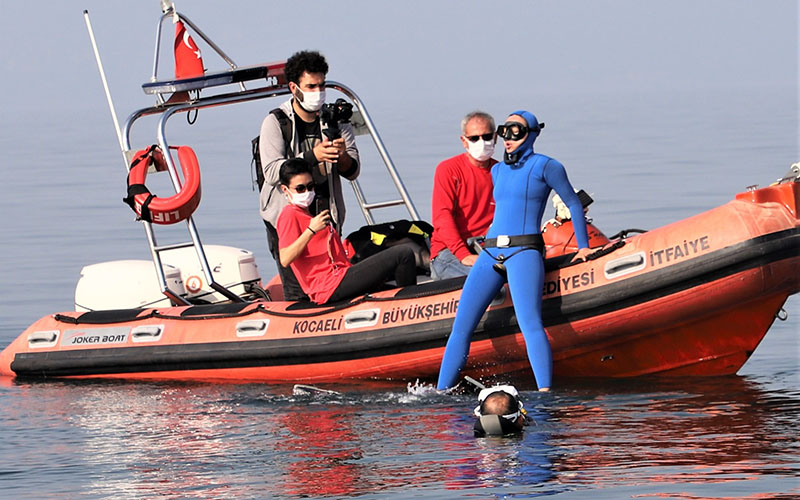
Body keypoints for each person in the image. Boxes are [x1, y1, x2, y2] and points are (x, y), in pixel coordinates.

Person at [437, 111, 592, 392]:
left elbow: (573, 203)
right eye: (504, 132)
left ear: (531, 133)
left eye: (515, 131)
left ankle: (545, 392)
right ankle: (441, 391)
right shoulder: (497, 170)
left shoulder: (547, 166)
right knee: (461, 327)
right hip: (490, 252)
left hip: (524, 252)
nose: (507, 138)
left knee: (530, 322)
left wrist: (583, 247)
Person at [259, 50, 360, 300]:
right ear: (294, 87)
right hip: (288, 218)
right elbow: (272, 171)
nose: (318, 92)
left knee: (334, 276)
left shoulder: (335, 121)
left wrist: (342, 155)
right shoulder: (275, 122)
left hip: (325, 212)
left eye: (321, 85)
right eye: (311, 86)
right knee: (297, 291)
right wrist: (312, 156)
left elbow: (353, 170)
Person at [276, 159, 417, 304]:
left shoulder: (309, 215)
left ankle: (406, 309)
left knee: (389, 290)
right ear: (285, 190)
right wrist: (311, 230)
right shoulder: (289, 214)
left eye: (310, 187)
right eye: (300, 189)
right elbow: (285, 258)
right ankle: (410, 306)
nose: (307, 192)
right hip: (329, 285)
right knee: (403, 254)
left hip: (342, 275)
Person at [430, 111, 497, 280]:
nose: (481, 142)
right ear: (464, 141)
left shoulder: (501, 171)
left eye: (487, 136)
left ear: (495, 138)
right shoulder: (448, 169)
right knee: (487, 281)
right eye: (474, 138)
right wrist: (463, 254)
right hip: (449, 251)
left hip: (488, 245)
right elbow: (441, 216)